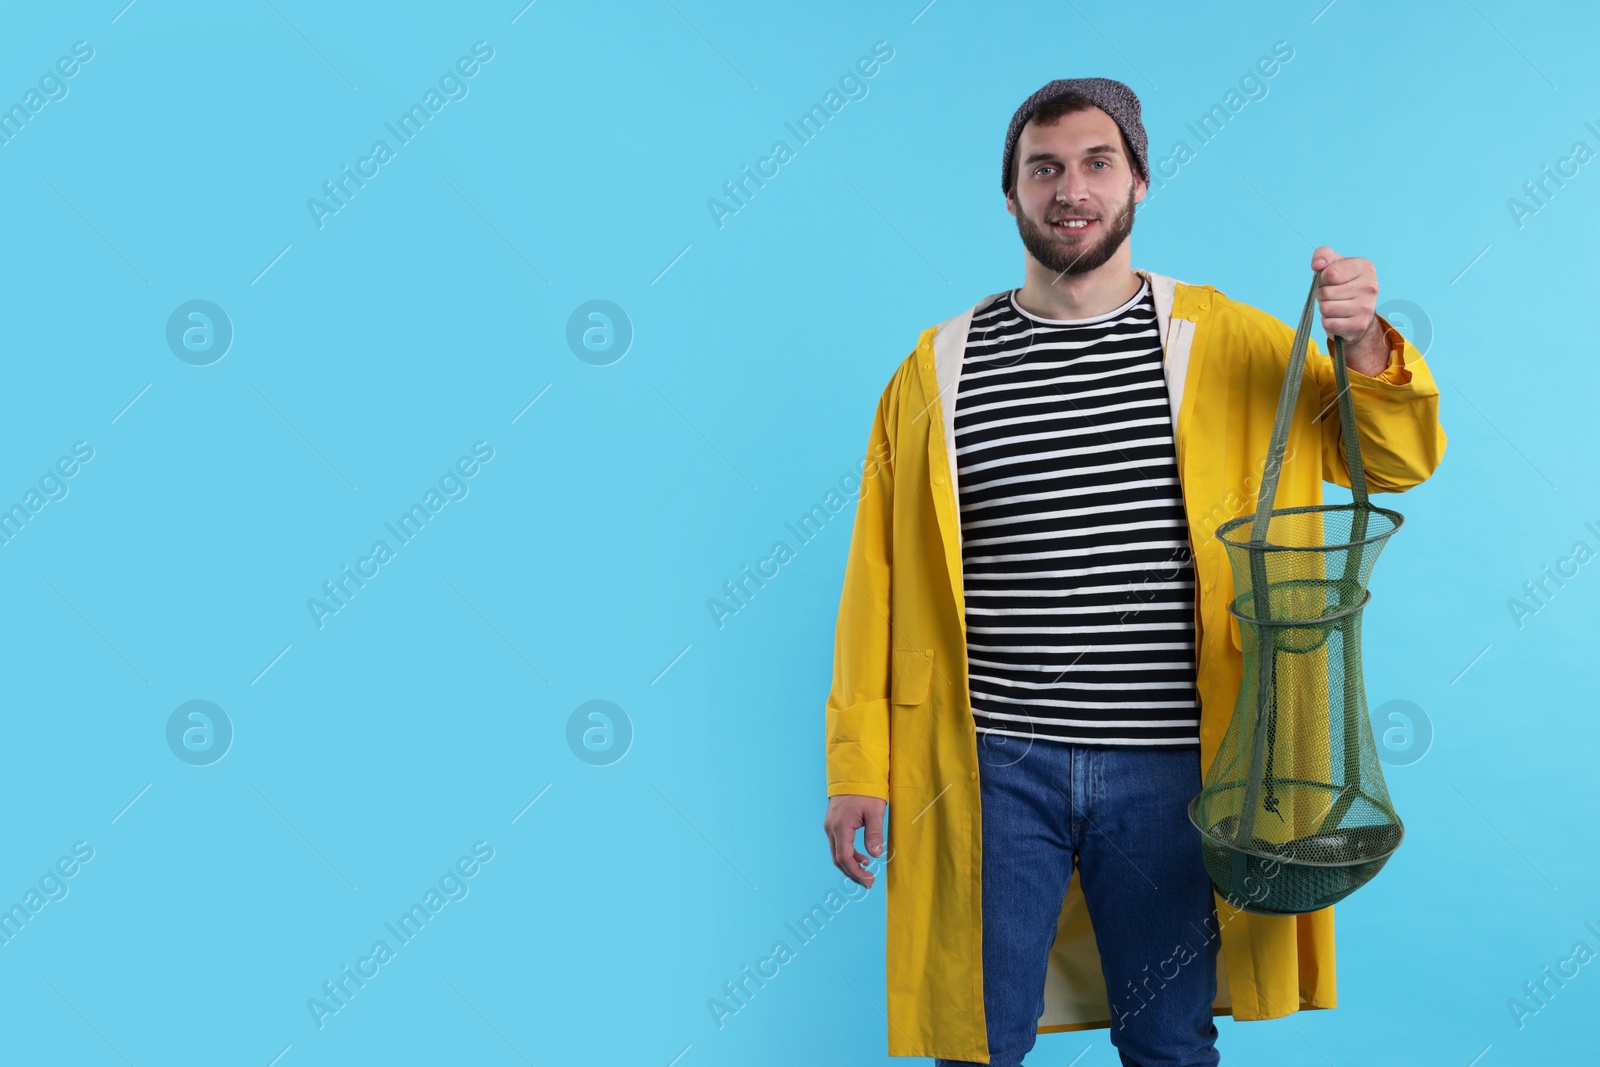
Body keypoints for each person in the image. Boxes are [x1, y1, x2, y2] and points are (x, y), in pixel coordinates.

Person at [820, 77, 1446, 1066]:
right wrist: (857, 764)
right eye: (1045, 168)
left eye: (1096, 163)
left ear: (1140, 182)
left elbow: (1395, 456)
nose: (1071, 188)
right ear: (1013, 195)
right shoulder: (934, 369)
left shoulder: (1226, 340)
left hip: (1174, 769)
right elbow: (877, 577)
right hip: (989, 764)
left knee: (1166, 1036)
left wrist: (1361, 336)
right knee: (974, 1036)